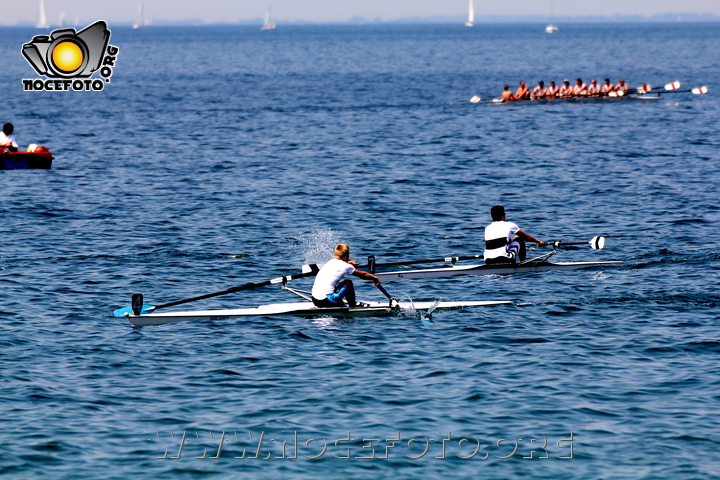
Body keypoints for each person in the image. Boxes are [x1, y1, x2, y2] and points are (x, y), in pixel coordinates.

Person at [311, 244, 380, 308]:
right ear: (346, 256)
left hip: (315, 300)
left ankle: (339, 302)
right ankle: (352, 306)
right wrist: (375, 278)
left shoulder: (329, 262)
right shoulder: (346, 266)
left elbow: (340, 263)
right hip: (328, 301)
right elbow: (363, 275)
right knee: (348, 282)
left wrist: (348, 263)